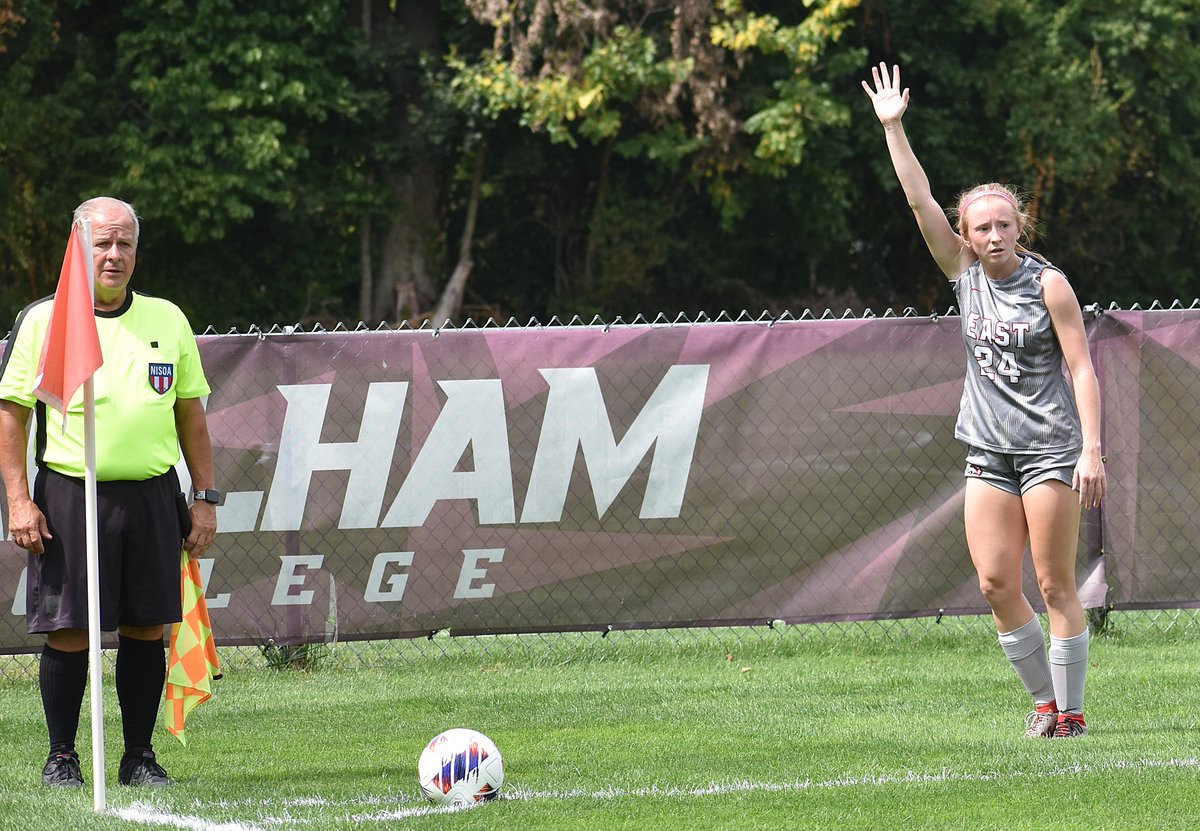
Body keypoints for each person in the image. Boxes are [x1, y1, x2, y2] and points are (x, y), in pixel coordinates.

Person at [862, 64, 1106, 738]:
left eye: (1004, 223)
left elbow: (1082, 369)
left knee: (1056, 583)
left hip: (1051, 449)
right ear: (967, 236)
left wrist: (1091, 448)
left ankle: (1073, 713)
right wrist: (894, 128)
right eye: (982, 227)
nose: (994, 235)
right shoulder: (965, 275)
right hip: (990, 452)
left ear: (1019, 224)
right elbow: (919, 203)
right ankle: (1043, 702)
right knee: (996, 584)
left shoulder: (1049, 283)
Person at [0, 196, 219, 786]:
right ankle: (63, 757)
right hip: (71, 493)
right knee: (72, 627)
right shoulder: (45, 321)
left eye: (124, 243)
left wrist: (205, 495)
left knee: (147, 627)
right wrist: (19, 501)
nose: (114, 255)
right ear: (79, 247)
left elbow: (190, 415)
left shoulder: (168, 319)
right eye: (102, 243)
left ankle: (139, 757)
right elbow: (12, 416)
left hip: (152, 495)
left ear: (137, 252)